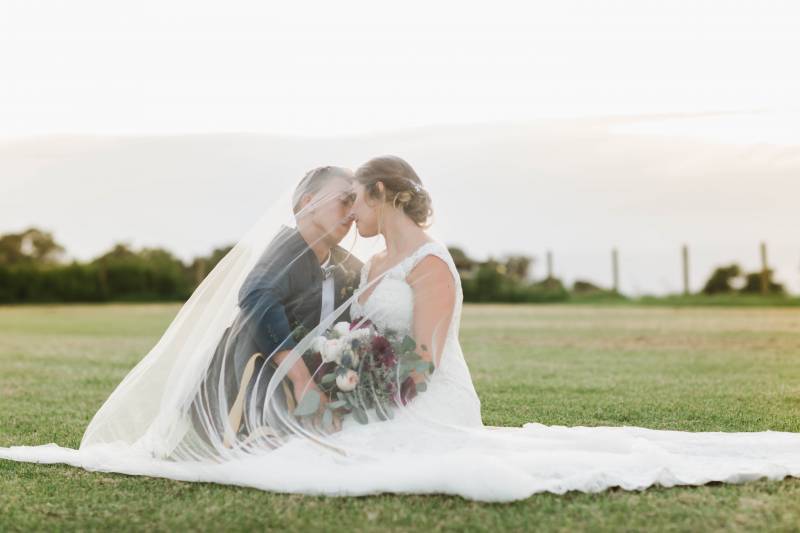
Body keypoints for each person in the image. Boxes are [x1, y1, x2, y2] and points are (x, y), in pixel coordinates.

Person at [1, 156, 799, 502]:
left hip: (411, 395)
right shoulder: (325, 258)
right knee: (270, 438)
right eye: (345, 203)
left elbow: (414, 348)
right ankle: (209, 435)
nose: (356, 216)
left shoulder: (398, 267)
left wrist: (355, 380)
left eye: (362, 202)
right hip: (287, 387)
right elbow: (265, 313)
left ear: (384, 197)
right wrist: (315, 373)